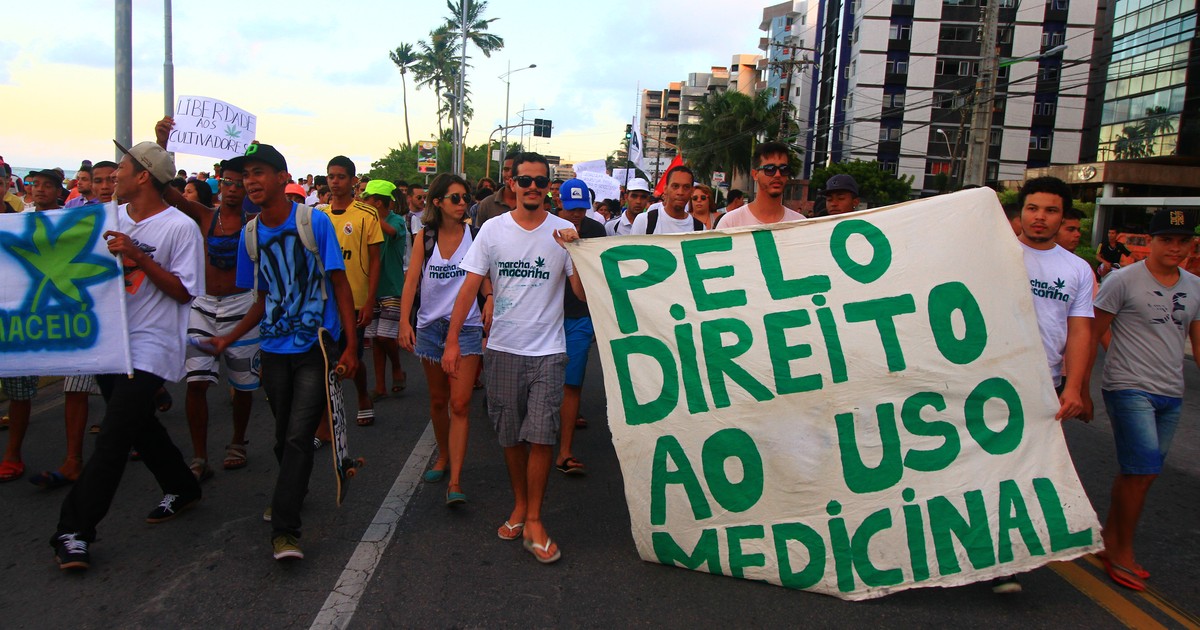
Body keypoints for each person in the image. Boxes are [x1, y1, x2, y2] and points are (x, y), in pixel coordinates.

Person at [50, 140, 205, 571]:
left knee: (114, 436)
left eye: (121, 167)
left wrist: (137, 255)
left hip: (150, 345)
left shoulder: (179, 227)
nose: (113, 174)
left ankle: (74, 530)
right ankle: (182, 485)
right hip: (108, 342)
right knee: (139, 427)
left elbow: (184, 291)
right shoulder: (108, 217)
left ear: (143, 176)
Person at [208, 142, 358, 561]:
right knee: (281, 436)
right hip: (272, 348)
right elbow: (260, 299)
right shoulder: (251, 235)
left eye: (258, 172)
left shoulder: (314, 223)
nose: (250, 181)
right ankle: (294, 487)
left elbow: (340, 285)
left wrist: (351, 346)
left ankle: (285, 530)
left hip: (315, 347)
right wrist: (227, 337)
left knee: (297, 435)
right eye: (244, 175)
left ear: (281, 177)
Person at [443, 152, 585, 564]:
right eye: (526, 181)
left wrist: (580, 256)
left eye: (541, 182)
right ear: (512, 184)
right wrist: (453, 341)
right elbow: (469, 288)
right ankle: (521, 504)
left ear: (549, 188)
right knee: (510, 437)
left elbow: (581, 296)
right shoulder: (491, 230)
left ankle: (536, 518)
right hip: (502, 349)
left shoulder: (564, 232)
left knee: (541, 435)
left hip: (548, 350)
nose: (533, 189)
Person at [1084, 209, 1199, 592]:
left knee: (1139, 474)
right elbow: (1092, 333)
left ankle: (1110, 539)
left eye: (1183, 241)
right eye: (1167, 240)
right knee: (1143, 470)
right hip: (1128, 386)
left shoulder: (1195, 286)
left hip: (1171, 393)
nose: (1175, 248)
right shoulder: (1122, 280)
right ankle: (1122, 552)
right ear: (1149, 241)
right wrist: (1080, 387)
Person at [992, 176, 1093, 593]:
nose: (1040, 217)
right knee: (985, 468)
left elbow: (1081, 331)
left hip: (1044, 385)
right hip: (989, 379)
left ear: (1063, 217)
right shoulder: (995, 253)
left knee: (1027, 473)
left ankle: (1008, 560)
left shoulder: (1077, 270)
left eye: (1050, 210)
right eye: (1033, 208)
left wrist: (1074, 387)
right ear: (1021, 212)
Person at [154, 117, 261, 480]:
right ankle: (199, 457)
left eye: (240, 182)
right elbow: (164, 189)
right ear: (220, 184)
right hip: (202, 306)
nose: (232, 188)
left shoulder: (258, 221)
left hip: (243, 306)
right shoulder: (203, 216)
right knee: (196, 383)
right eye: (227, 182)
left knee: (243, 385)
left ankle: (237, 441)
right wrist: (163, 144)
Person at [398, 173, 489, 506]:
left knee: (460, 403)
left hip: (466, 327)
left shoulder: (475, 237)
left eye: (466, 197)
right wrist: (404, 323)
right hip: (429, 328)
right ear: (437, 202)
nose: (463, 202)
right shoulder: (425, 237)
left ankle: (455, 480)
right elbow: (411, 283)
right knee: (438, 401)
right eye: (455, 198)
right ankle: (442, 456)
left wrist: (489, 296)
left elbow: (482, 279)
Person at [36, 159, 120, 489]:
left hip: (126, 318)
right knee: (75, 385)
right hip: (87, 317)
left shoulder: (134, 217)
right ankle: (73, 460)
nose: (102, 186)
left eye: (110, 179)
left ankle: (138, 441)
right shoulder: (76, 217)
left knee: (122, 393)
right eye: (97, 180)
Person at [0, 167, 64, 483]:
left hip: (32, 315)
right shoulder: (18, 218)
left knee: (20, 388)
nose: (39, 190)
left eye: (47, 185)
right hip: (8, 310)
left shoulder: (66, 222)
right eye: (34, 184)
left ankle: (13, 454)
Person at [324, 155, 383, 428]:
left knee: (353, 355)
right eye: (331, 176)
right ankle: (327, 418)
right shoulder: (318, 215)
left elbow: (374, 259)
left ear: (352, 180)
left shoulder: (366, 214)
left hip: (357, 298)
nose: (335, 182)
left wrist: (370, 301)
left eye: (341, 177)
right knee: (324, 360)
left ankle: (362, 395)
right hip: (326, 301)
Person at [553, 179, 606, 474]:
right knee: (545, 383)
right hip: (545, 318)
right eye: (571, 208)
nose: (577, 214)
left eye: (582, 208)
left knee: (573, 383)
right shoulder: (545, 228)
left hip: (581, 317)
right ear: (560, 203)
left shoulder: (597, 231)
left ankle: (565, 452)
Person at [358, 179, 408, 400]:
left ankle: (397, 367)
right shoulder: (365, 221)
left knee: (385, 337)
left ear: (377, 203)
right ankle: (380, 386)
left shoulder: (397, 221)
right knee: (376, 339)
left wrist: (370, 215)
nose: (361, 201)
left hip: (392, 286)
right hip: (370, 288)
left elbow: (390, 231)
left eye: (366, 198)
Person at [719, 142, 806, 227]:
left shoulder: (800, 224)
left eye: (783, 169)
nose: (778, 174)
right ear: (755, 174)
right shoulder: (730, 223)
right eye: (770, 169)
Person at [630, 166, 704, 235]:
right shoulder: (644, 221)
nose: (680, 192)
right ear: (665, 189)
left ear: (692, 191)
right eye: (675, 186)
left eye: (686, 187)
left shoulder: (700, 229)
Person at [474, 156, 516, 226]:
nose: (509, 174)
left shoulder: (531, 203)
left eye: (514, 170)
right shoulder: (487, 204)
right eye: (506, 169)